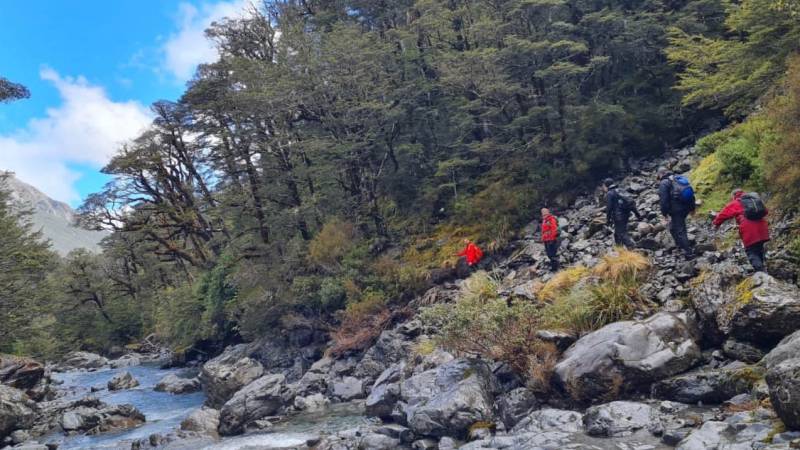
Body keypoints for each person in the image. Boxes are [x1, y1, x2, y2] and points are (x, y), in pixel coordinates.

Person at [713, 189, 770, 272]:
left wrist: (716, 224)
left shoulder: (736, 202)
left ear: (733, 196)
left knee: (751, 251)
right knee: (759, 248)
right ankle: (762, 269)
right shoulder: (753, 199)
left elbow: (723, 214)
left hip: (749, 229)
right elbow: (766, 211)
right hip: (762, 227)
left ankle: (762, 274)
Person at [658, 168, 696, 260]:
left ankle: (689, 253)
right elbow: (690, 194)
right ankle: (680, 245)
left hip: (677, 210)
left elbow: (664, 201)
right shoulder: (678, 178)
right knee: (672, 227)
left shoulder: (664, 183)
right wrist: (692, 208)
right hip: (686, 207)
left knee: (680, 230)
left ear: (661, 174)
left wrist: (664, 214)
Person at [603, 178, 642, 249]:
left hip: (618, 216)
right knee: (617, 233)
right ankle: (619, 249)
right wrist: (637, 214)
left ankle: (632, 247)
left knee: (621, 233)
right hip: (626, 214)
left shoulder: (610, 193)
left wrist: (608, 220)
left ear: (606, 186)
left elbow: (609, 208)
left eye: (604, 186)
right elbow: (631, 202)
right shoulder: (621, 190)